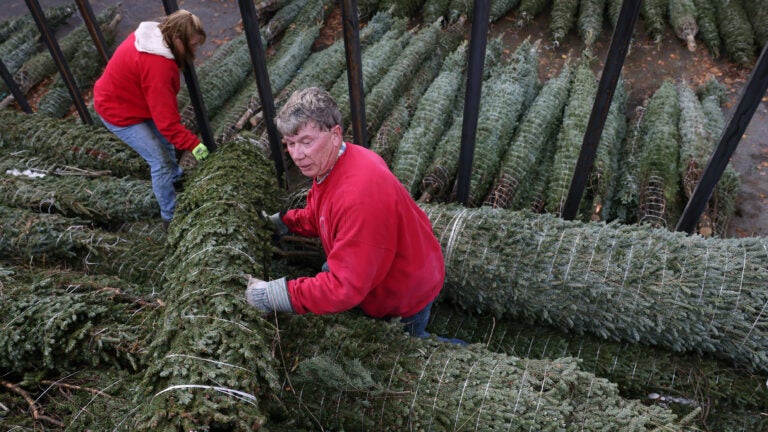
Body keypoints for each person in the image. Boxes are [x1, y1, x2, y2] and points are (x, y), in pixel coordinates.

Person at [245, 87, 464, 344]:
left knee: (415, 351)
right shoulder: (334, 163)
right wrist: (282, 222)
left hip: (405, 289)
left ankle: (454, 350)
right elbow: (320, 215)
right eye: (290, 144)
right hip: (387, 266)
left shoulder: (358, 196)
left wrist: (273, 295)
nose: (297, 154)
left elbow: (343, 288)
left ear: (335, 134)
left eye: (306, 141)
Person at [93, 9, 209, 228]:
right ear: (177, 38)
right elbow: (169, 125)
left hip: (135, 102)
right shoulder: (159, 66)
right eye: (193, 44)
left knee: (165, 144)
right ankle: (170, 216)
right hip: (118, 112)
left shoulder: (158, 35)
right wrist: (197, 147)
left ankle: (176, 178)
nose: (196, 50)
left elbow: (165, 125)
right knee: (159, 161)